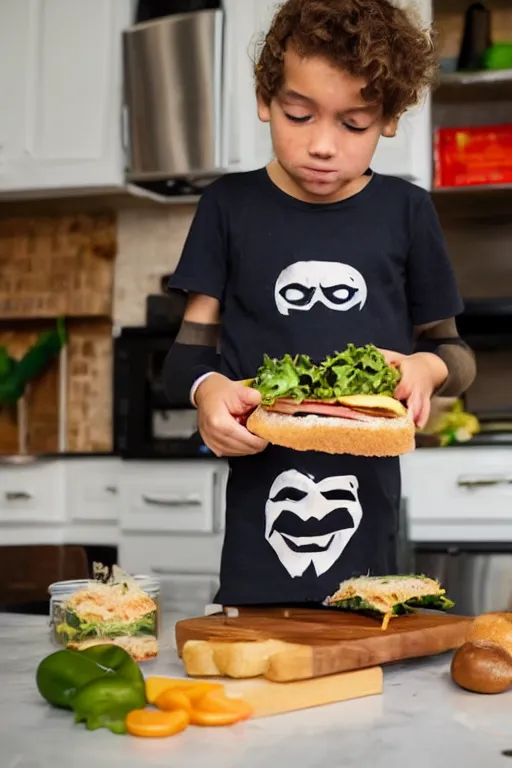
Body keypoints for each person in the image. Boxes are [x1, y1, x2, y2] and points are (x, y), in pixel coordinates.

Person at [163, 0, 476, 606]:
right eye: (299, 115)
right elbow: (184, 358)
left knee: (360, 665)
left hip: (369, 510)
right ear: (265, 99)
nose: (323, 146)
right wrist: (208, 391)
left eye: (353, 124)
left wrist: (426, 369)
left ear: (388, 119)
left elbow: (455, 353)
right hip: (260, 510)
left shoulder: (407, 213)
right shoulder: (228, 207)